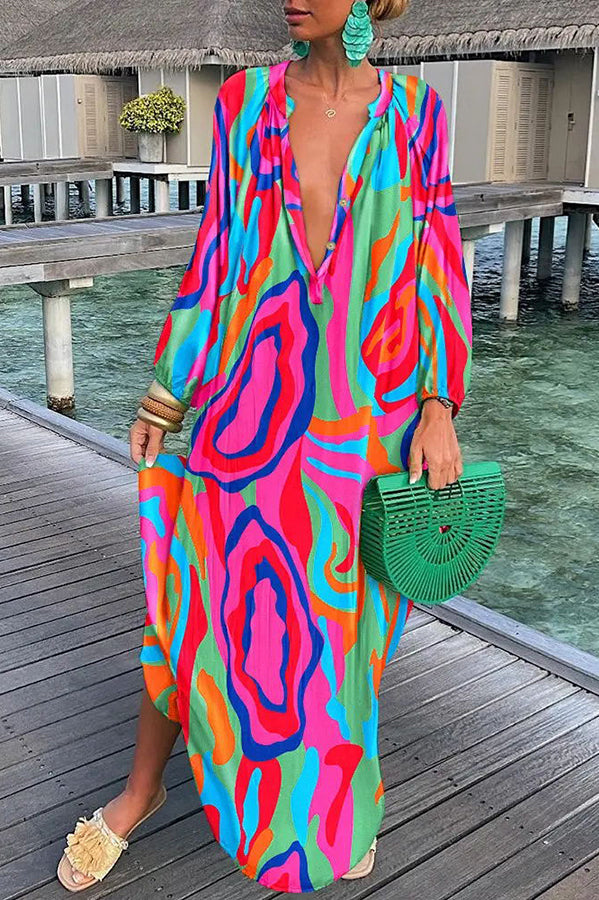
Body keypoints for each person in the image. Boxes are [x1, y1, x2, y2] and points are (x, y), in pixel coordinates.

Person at [57, 0, 472, 893]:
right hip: (249, 418)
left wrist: (440, 403)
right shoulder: (245, 104)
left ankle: (332, 807)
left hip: (365, 428)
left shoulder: (417, 115)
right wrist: (168, 390)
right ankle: (141, 791)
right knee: (193, 604)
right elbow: (217, 255)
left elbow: (437, 263)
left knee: (342, 636)